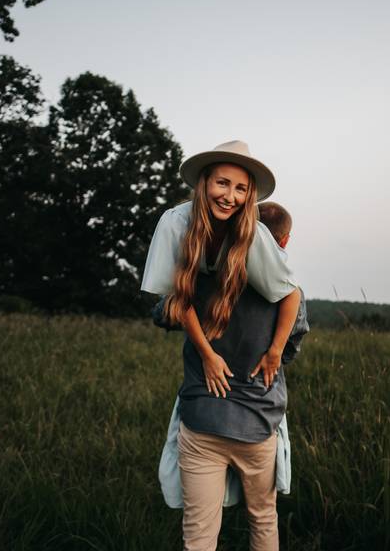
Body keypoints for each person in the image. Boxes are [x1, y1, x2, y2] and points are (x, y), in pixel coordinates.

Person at [141, 141, 302, 551]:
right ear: (204, 182)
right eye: (223, 184)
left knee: (199, 533)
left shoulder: (239, 255)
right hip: (257, 418)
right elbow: (294, 305)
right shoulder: (181, 229)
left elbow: (168, 308)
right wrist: (276, 352)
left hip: (204, 416)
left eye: (240, 189)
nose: (230, 196)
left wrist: (210, 354)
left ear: (249, 198)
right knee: (263, 517)